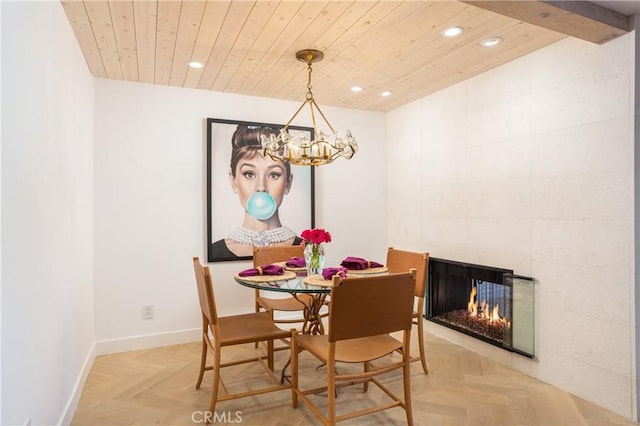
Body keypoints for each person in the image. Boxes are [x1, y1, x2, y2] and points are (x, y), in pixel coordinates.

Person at [210, 125, 302, 260]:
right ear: (233, 180)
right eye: (249, 174)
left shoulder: (307, 250)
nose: (261, 187)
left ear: (288, 183)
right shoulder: (216, 251)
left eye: (274, 175)